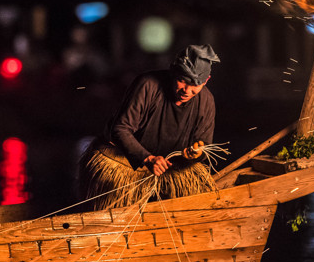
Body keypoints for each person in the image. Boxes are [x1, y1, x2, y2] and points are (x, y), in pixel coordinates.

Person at [79, 44, 219, 209]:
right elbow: (120, 129)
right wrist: (147, 158)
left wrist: (195, 153)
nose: (187, 91)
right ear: (173, 71)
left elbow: (205, 145)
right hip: (126, 165)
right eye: (182, 80)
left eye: (195, 85)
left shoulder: (206, 101)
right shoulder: (148, 85)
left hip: (171, 170)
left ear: (206, 80)